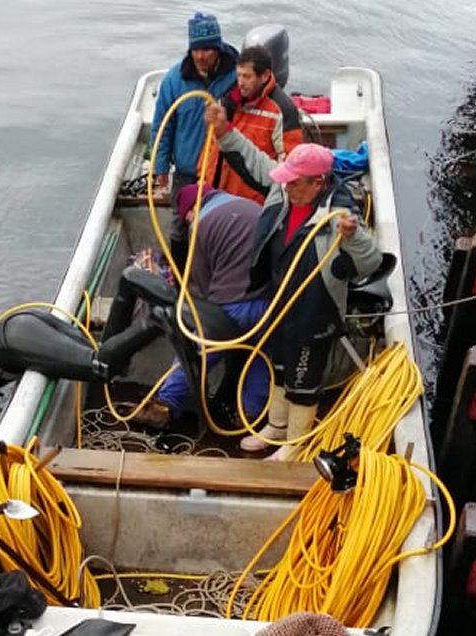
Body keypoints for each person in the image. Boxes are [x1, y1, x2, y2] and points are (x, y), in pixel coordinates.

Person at [205, 102, 383, 460]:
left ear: (318, 183)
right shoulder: (283, 188)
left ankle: (295, 444)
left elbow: (371, 261)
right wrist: (225, 133)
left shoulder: (339, 212)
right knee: (281, 368)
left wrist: (352, 237)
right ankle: (276, 425)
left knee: (304, 381)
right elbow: (256, 162)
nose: (287, 187)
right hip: (280, 300)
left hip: (314, 311)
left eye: (295, 183)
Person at [131, 183, 271, 429]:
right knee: (261, 355)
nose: (187, 222)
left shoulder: (201, 223)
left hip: (232, 304)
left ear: (193, 208)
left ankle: (164, 405)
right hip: (270, 301)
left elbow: (200, 283)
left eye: (186, 217)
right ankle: (250, 415)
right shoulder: (251, 206)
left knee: (197, 352)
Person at [0, 309, 162, 414]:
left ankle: (156, 320)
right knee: (103, 352)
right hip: (19, 322)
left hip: (12, 344)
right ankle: (130, 284)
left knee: (101, 367)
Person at [150, 12, 239, 271]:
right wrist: (160, 167)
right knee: (180, 225)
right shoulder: (174, 80)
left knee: (223, 223)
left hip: (225, 169)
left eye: (207, 49)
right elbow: (163, 126)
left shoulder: (236, 77)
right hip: (188, 171)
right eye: (196, 49)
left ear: (218, 48)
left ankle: (219, 274)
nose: (201, 56)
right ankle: (180, 280)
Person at [201, 45, 303, 205]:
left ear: (265, 75)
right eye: (239, 75)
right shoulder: (228, 100)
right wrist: (202, 190)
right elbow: (210, 150)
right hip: (217, 199)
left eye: (247, 77)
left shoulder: (283, 111)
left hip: (254, 206)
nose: (240, 83)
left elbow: (290, 167)